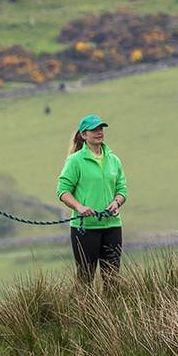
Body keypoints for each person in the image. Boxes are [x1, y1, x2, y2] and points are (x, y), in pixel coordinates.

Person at [56, 114, 127, 283]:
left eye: (101, 128)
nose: (99, 132)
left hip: (112, 225)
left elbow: (122, 189)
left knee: (113, 278)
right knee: (85, 278)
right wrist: (79, 207)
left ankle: (110, 310)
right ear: (83, 135)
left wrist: (116, 202)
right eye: (94, 129)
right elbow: (62, 190)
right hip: (85, 228)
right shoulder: (75, 161)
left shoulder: (114, 160)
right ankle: (82, 309)